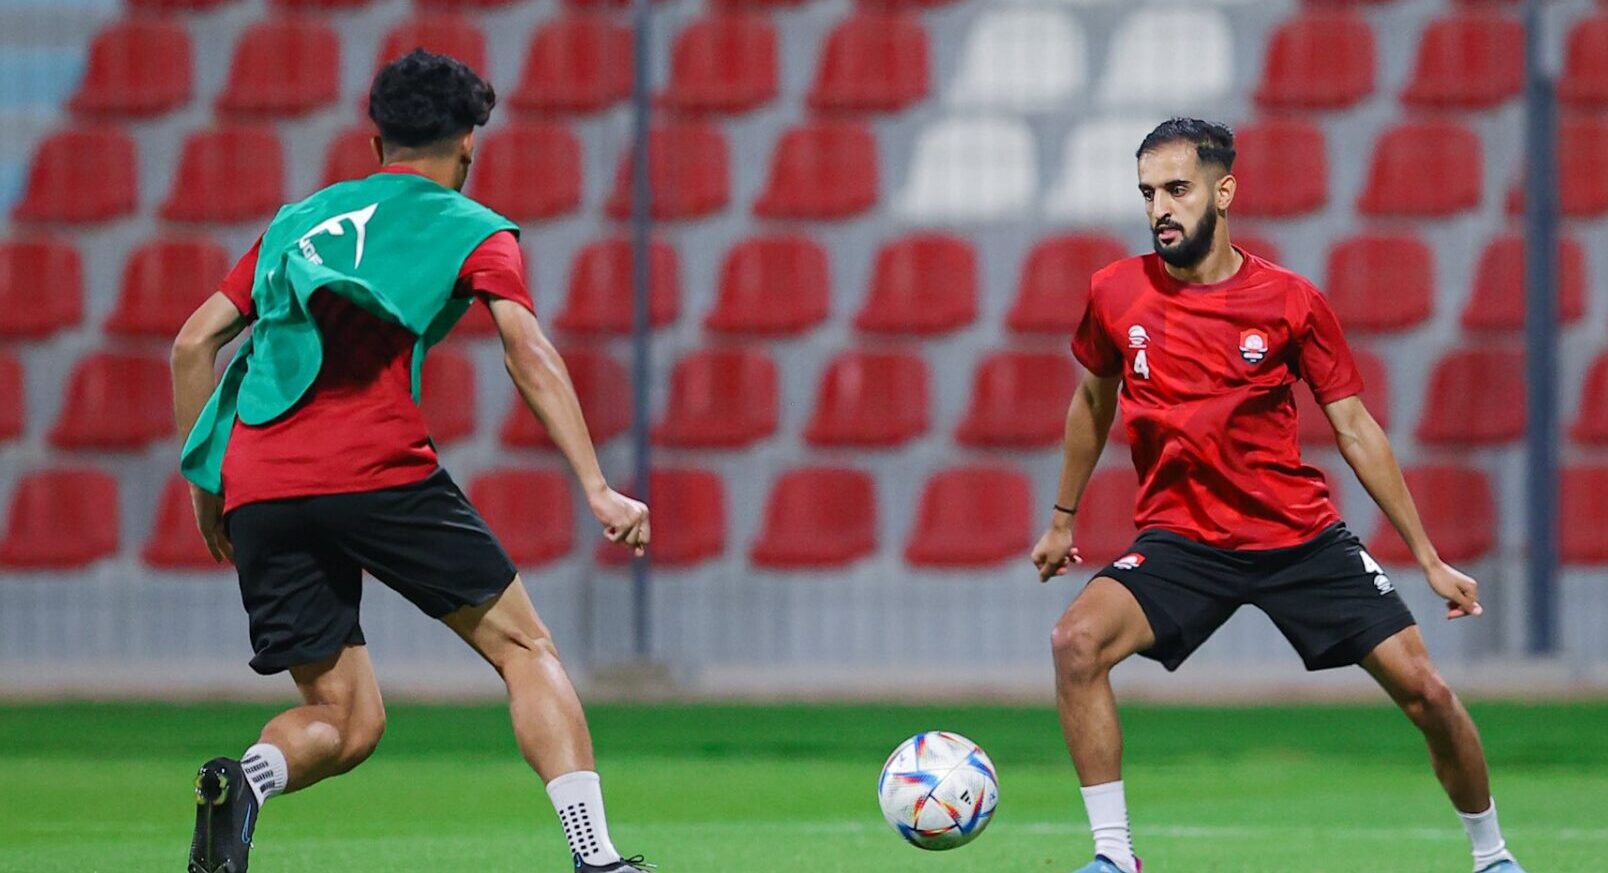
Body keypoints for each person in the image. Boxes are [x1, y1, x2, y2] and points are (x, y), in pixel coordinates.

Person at [173, 50, 652, 873]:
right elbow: (525, 350)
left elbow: (192, 343)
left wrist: (206, 483)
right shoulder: (474, 228)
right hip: (374, 467)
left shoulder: (298, 219)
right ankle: (597, 856)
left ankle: (247, 779)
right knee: (525, 650)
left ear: (374, 145)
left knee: (346, 720)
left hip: (259, 482)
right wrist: (597, 486)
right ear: (468, 144)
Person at [1029, 118, 1526, 873]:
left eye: (1177, 189)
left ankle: (1492, 857)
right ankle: (1113, 856)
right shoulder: (1114, 293)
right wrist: (1063, 518)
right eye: (1148, 193)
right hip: (1182, 541)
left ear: (1224, 191)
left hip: (1296, 537)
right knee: (1075, 642)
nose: (1160, 208)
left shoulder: (1291, 301)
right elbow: (1093, 403)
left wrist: (1427, 556)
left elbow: (1355, 427)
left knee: (1427, 690)